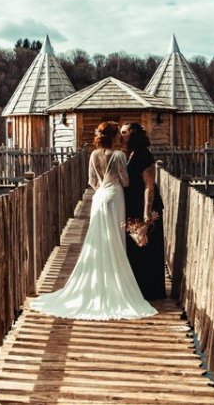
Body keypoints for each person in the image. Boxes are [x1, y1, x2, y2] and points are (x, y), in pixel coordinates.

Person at [30, 121, 157, 320]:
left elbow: (91, 180)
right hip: (114, 197)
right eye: (119, 134)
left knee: (98, 240)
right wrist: (116, 184)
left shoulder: (93, 154)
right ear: (114, 136)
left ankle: (96, 283)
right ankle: (115, 285)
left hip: (99, 198)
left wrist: (102, 189)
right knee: (115, 239)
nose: (121, 138)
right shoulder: (118, 156)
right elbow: (125, 181)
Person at [120, 122, 167, 300]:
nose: (120, 135)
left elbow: (149, 186)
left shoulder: (145, 156)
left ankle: (150, 291)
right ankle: (137, 288)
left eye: (123, 132)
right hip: (133, 205)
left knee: (147, 248)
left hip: (146, 206)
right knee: (135, 248)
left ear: (132, 134)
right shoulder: (130, 154)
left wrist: (146, 211)